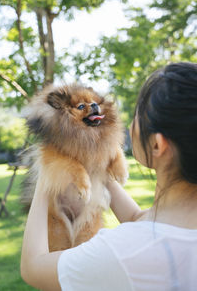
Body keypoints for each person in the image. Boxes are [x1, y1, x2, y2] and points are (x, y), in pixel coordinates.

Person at [21, 62, 197, 291]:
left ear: (157, 144)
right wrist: (94, 162)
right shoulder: (169, 230)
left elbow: (32, 268)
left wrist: (46, 175)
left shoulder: (122, 253)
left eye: (137, 116)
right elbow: (137, 218)